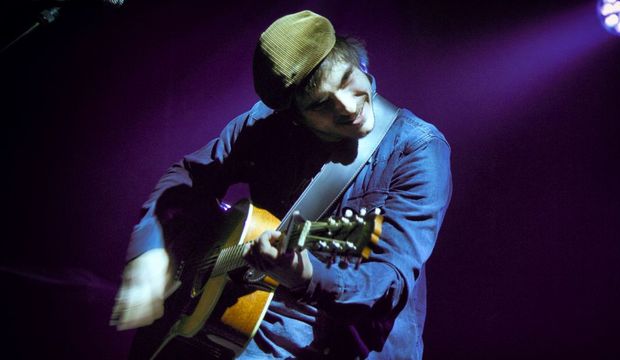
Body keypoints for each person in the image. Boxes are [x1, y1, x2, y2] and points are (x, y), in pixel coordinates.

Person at [111, 10, 452, 360]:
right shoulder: (265, 125)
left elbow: (388, 282)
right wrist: (150, 251)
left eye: (349, 79)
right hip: (233, 318)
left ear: (360, 62)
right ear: (294, 116)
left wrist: (304, 276)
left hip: (336, 341)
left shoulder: (417, 147)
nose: (348, 108)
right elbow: (187, 176)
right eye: (321, 104)